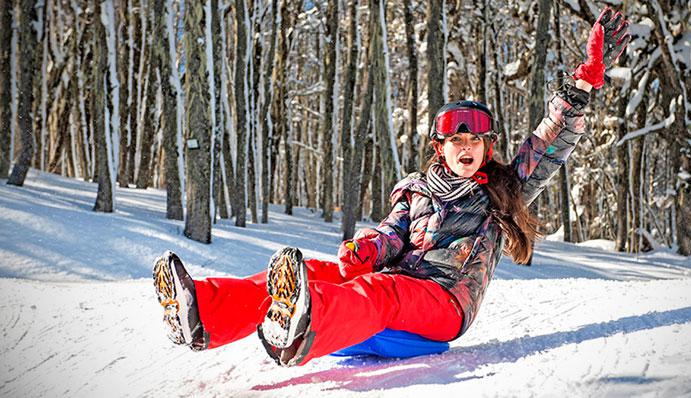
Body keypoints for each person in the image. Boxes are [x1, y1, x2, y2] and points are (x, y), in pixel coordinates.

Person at [152, 8, 630, 366]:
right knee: (319, 271)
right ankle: (205, 313)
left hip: (444, 301)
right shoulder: (415, 188)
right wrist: (366, 249)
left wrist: (582, 83)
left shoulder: (504, 188)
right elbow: (391, 235)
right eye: (455, 139)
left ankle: (302, 326)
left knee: (380, 290)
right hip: (398, 285)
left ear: (489, 147)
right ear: (439, 148)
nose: (467, 147)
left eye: (476, 140)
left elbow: (551, 142)